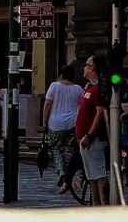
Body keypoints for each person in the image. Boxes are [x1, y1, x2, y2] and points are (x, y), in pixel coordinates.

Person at [74, 55, 109, 206]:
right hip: (83, 138)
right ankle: (95, 205)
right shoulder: (88, 87)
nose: (83, 67)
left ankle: (102, 203)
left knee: (99, 174)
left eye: (86, 65)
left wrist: (90, 134)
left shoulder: (98, 89)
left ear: (92, 68)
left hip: (92, 139)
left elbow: (100, 113)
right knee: (91, 176)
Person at [42, 64, 82, 194]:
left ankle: (62, 171)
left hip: (55, 123)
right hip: (72, 123)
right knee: (70, 150)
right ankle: (70, 176)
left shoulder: (54, 86)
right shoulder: (78, 89)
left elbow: (48, 103)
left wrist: (45, 121)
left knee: (56, 149)